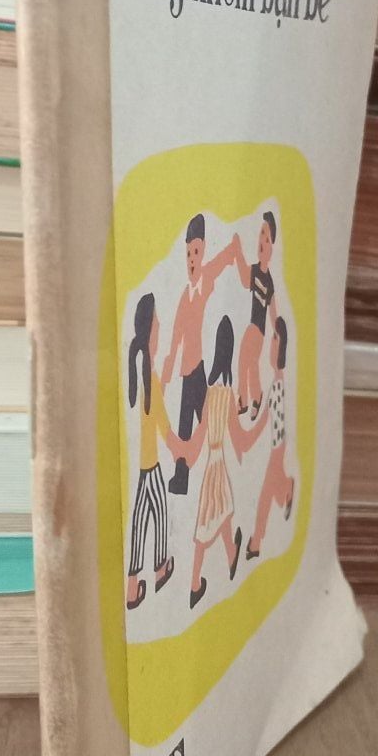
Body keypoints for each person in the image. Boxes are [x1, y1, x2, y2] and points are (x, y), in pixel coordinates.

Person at [186, 316, 267, 609]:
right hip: (217, 465)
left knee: (221, 513)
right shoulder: (226, 395)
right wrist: (262, 422)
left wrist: (184, 450)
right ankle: (195, 583)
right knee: (209, 520)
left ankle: (231, 555)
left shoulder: (209, 395)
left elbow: (198, 436)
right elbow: (241, 441)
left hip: (212, 462)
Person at [162, 213, 242, 495]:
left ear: (204, 249)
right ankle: (183, 477)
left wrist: (232, 251)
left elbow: (217, 265)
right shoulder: (184, 298)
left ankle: (214, 471)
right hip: (187, 371)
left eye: (196, 252)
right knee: (190, 425)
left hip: (198, 369)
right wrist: (166, 376)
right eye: (188, 254)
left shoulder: (205, 280)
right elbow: (175, 340)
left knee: (206, 423)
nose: (192, 260)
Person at [124, 291, 176, 609]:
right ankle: (159, 569)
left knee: (140, 520)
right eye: (157, 323)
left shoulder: (137, 373)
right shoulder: (150, 379)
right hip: (150, 464)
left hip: (139, 465)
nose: (160, 327)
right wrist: (186, 448)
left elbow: (148, 414)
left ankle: (133, 586)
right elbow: (166, 430)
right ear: (150, 330)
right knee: (159, 512)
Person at [247, 314, 297, 562]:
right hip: (278, 447)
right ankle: (286, 487)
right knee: (271, 492)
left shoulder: (278, 384)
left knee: (266, 496)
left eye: (274, 341)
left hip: (277, 449)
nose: (270, 346)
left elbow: (267, 417)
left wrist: (249, 436)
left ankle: (256, 542)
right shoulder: (277, 382)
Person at [235, 210, 278, 416]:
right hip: (254, 327)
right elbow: (245, 279)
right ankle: (251, 398)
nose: (262, 241)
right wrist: (238, 253)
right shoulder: (255, 271)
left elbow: (273, 309)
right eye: (261, 234)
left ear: (272, 249)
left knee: (246, 361)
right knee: (249, 363)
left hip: (257, 330)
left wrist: (277, 332)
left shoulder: (267, 280)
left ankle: (248, 399)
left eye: (267, 239)